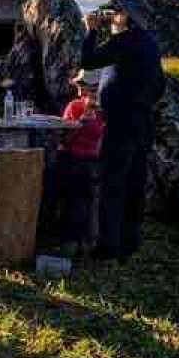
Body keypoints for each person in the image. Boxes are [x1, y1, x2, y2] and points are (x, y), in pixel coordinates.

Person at [79, 0, 166, 261]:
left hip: (120, 124)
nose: (113, 16)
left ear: (127, 17)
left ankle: (108, 246)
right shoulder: (150, 44)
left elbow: (88, 61)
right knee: (134, 184)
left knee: (112, 183)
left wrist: (90, 29)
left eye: (117, 13)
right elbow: (159, 85)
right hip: (142, 123)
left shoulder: (125, 40)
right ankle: (129, 243)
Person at [49, 71, 105, 249]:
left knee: (93, 199)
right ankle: (71, 240)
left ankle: (91, 240)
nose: (80, 93)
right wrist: (79, 124)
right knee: (76, 196)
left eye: (84, 88)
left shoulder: (109, 109)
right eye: (79, 88)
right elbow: (64, 141)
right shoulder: (74, 107)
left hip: (96, 161)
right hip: (73, 159)